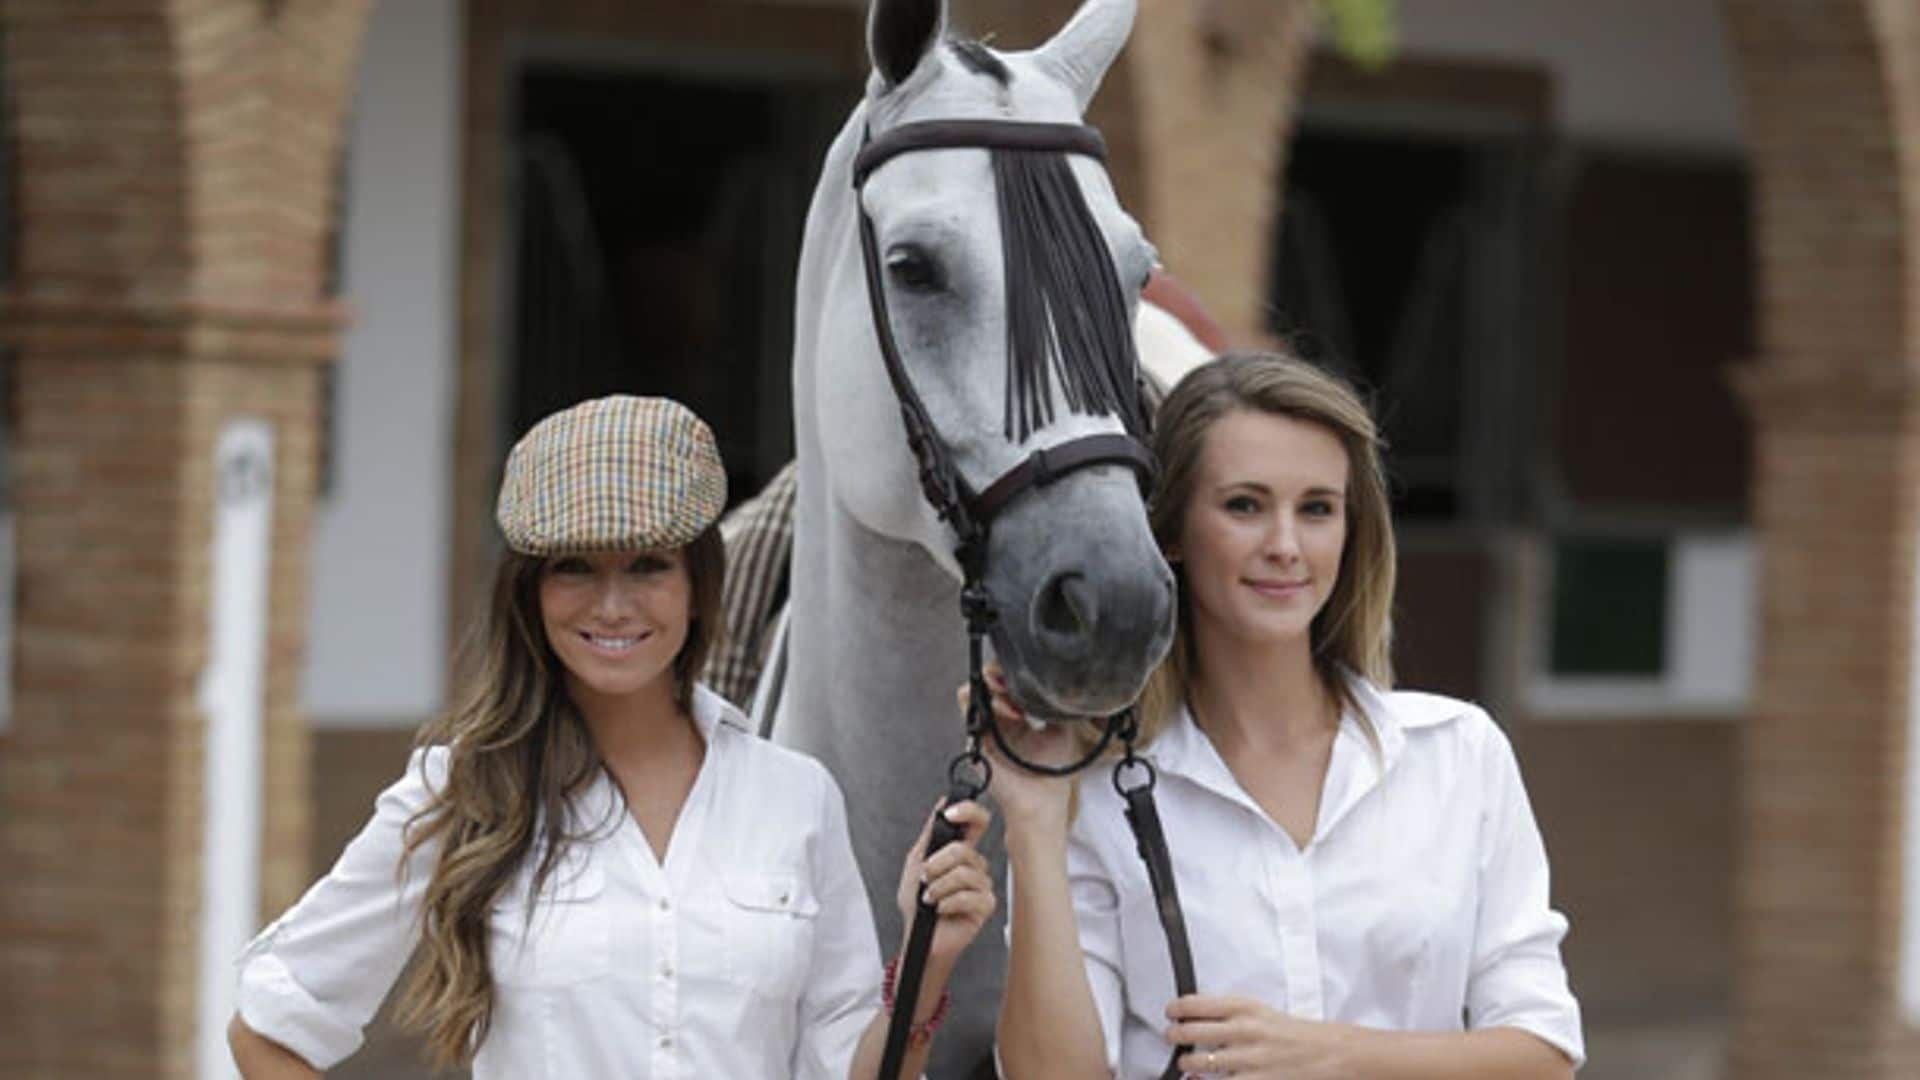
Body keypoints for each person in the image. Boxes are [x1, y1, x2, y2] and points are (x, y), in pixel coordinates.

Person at [227, 395, 994, 1079]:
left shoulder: (796, 797)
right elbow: (269, 1028)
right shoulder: (460, 792)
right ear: (529, 593)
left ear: (698, 586)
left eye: (648, 566)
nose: (614, 604)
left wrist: (930, 952)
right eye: (575, 569)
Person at [987, 353, 1583, 1078]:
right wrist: (1034, 823)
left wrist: (1327, 1053)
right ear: (1169, 531)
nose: (1285, 546)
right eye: (1244, 505)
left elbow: (1543, 1056)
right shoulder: (1096, 793)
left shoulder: (1458, 755)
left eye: (1317, 509)